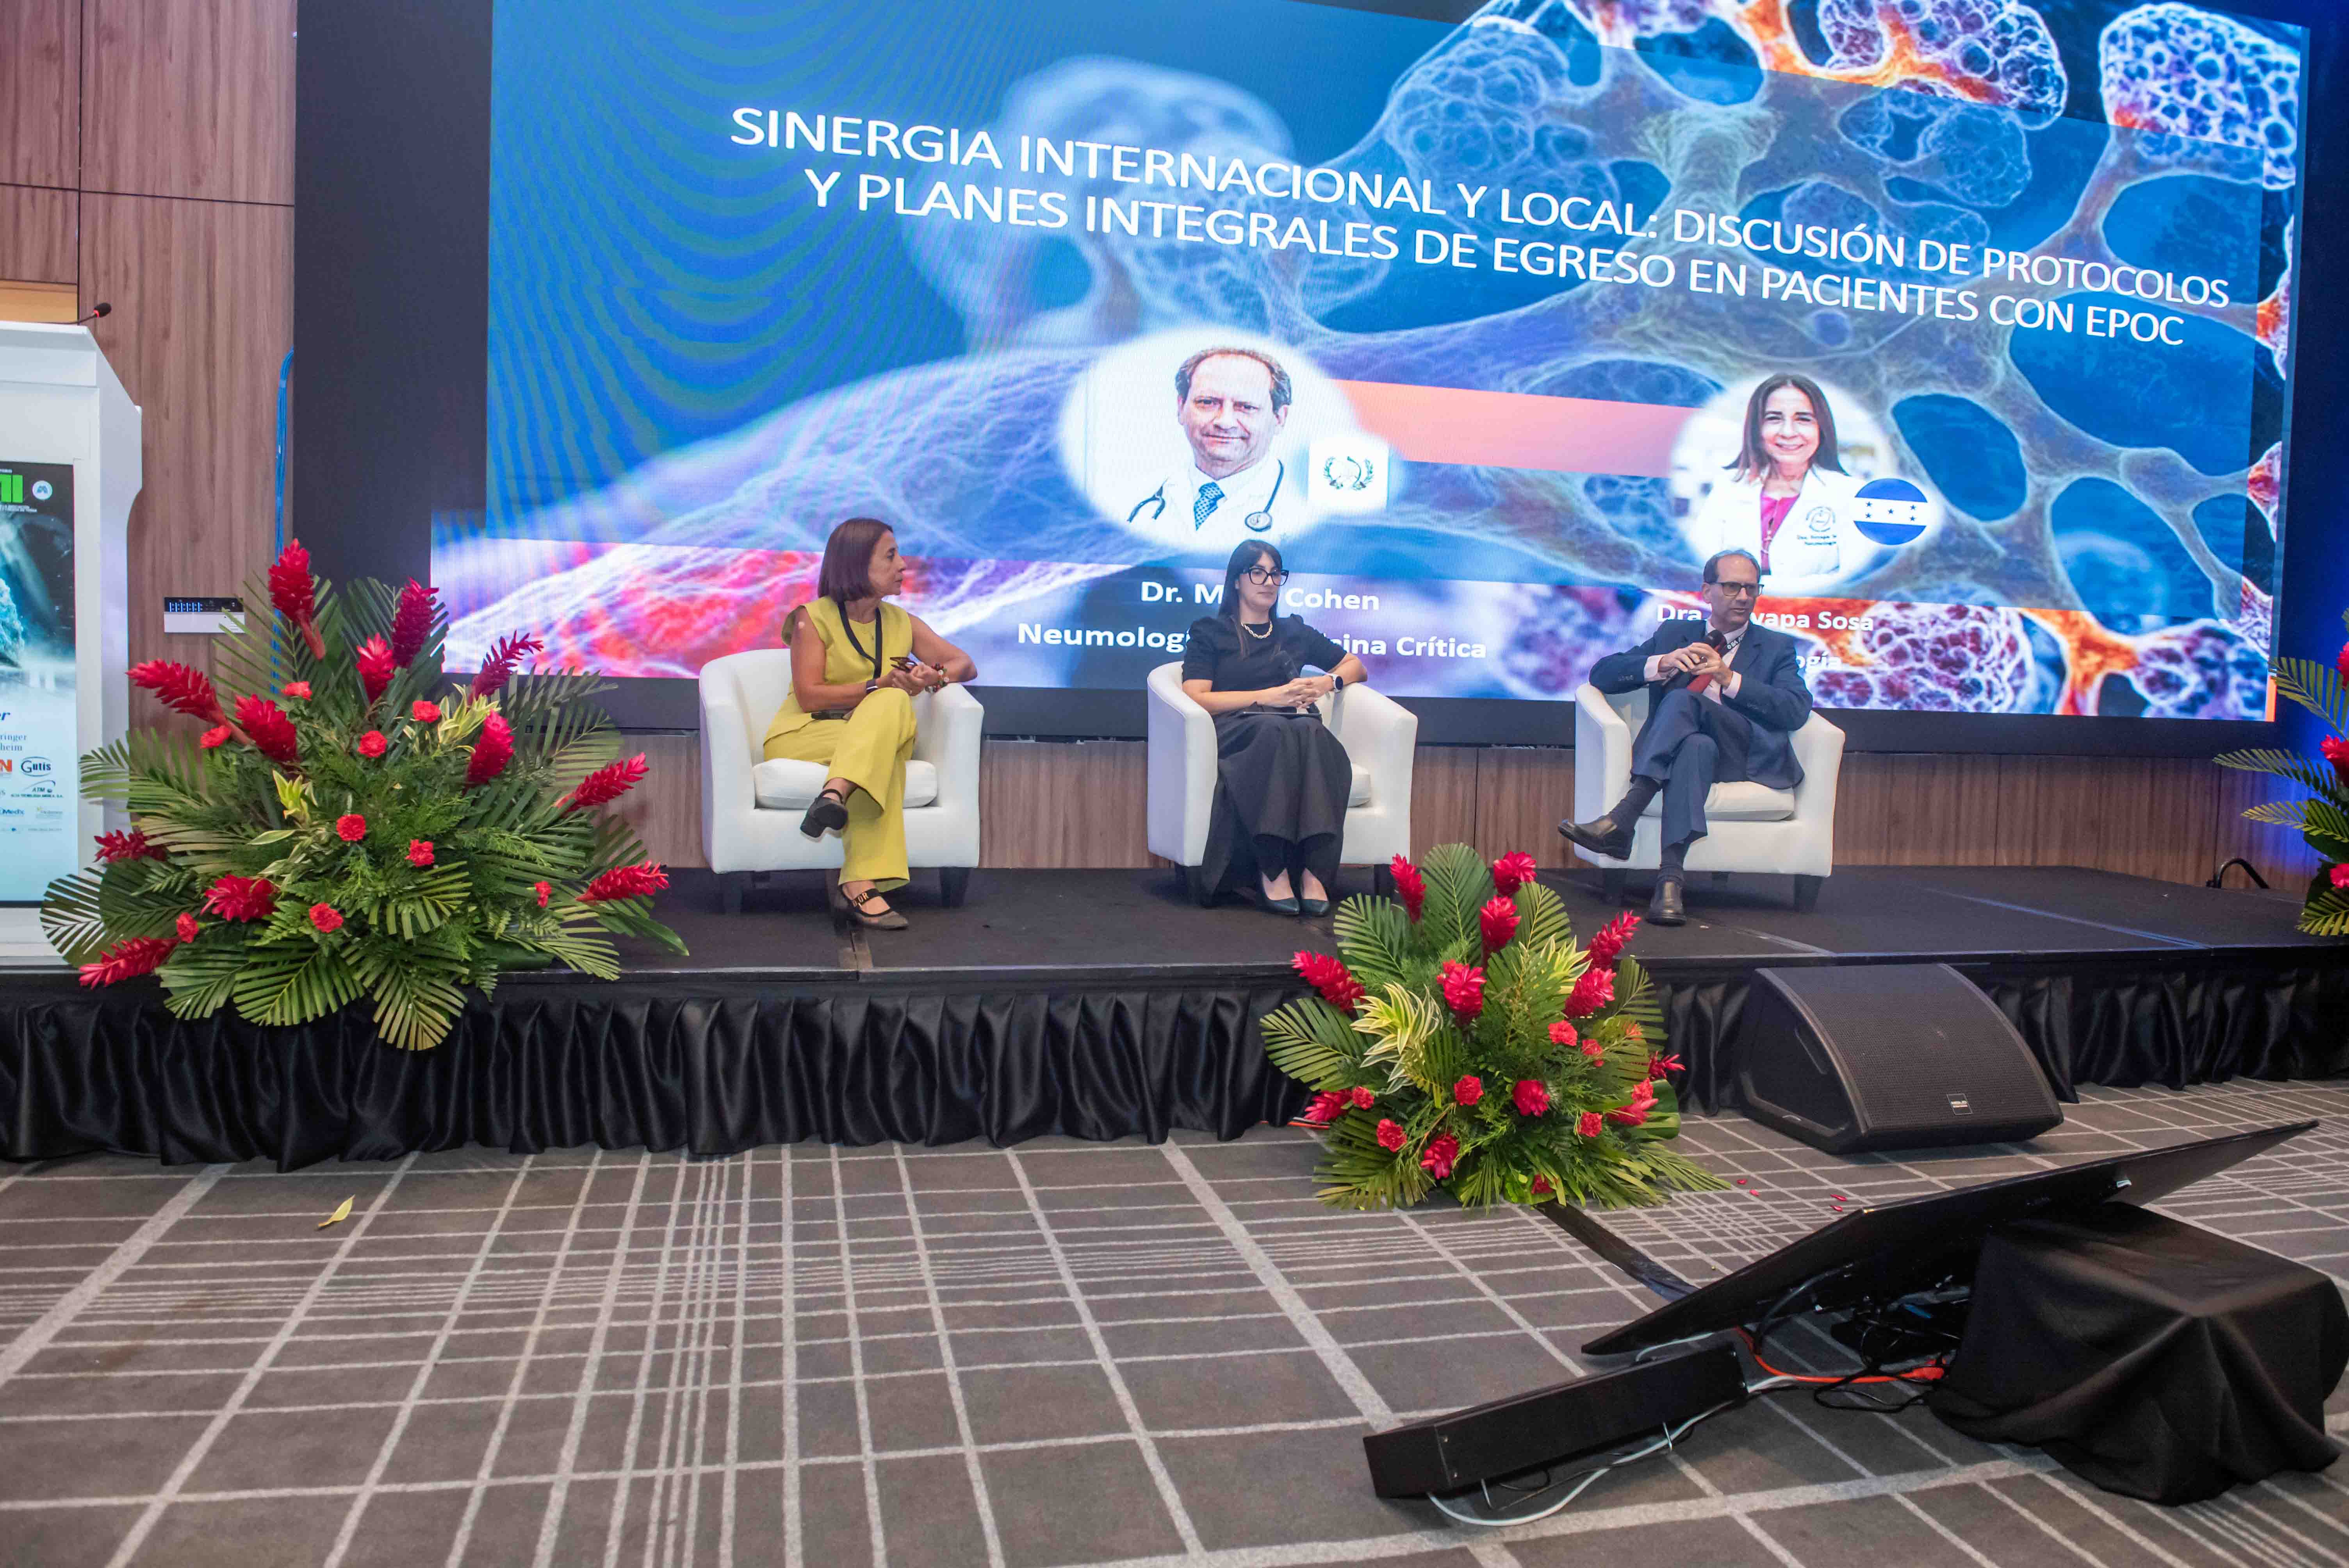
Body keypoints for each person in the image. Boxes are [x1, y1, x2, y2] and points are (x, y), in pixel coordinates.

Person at [1558, 548, 1812, 926]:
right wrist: (1661, 663)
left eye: (1752, 588)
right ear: (1707, 591)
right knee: (1695, 746)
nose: (1744, 597)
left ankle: (1623, 819)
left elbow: (1796, 709)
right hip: (1689, 756)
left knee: (1681, 701)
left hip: (1742, 755)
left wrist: (1729, 679)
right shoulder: (1674, 635)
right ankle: (1670, 884)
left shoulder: (1776, 646)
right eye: (1732, 587)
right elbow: (1603, 674)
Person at [765, 517, 977, 930]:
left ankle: (835, 794)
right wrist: (878, 685)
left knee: (891, 706)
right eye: (890, 556)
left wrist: (933, 676)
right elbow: (809, 696)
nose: (903, 565)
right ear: (858, 563)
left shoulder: (901, 621)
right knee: (886, 730)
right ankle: (860, 883)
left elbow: (964, 664)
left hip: (869, 736)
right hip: (806, 733)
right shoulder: (812, 618)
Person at [1179, 540, 1367, 915]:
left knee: (1312, 732)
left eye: (1275, 574)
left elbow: (1356, 666)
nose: (1268, 582)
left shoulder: (1293, 631)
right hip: (1236, 729)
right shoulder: (1210, 632)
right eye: (1258, 573)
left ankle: (1314, 871)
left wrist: (1326, 683)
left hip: (1290, 729)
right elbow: (1196, 696)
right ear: (1237, 580)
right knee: (1276, 730)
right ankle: (1273, 869)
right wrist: (1268, 696)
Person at [1685, 373, 1866, 590]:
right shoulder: (1729, 487)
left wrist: (1753, 588)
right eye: (1774, 419)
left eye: (1803, 419)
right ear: (1756, 429)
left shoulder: (1852, 494)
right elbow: (1700, 566)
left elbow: (1853, 582)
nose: (1788, 432)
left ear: (1822, 428)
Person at [1125, 346, 1308, 550]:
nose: (1225, 422)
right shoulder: (1134, 499)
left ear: (1280, 418)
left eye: (1246, 407)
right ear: (1181, 408)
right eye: (1207, 403)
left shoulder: (1309, 511)